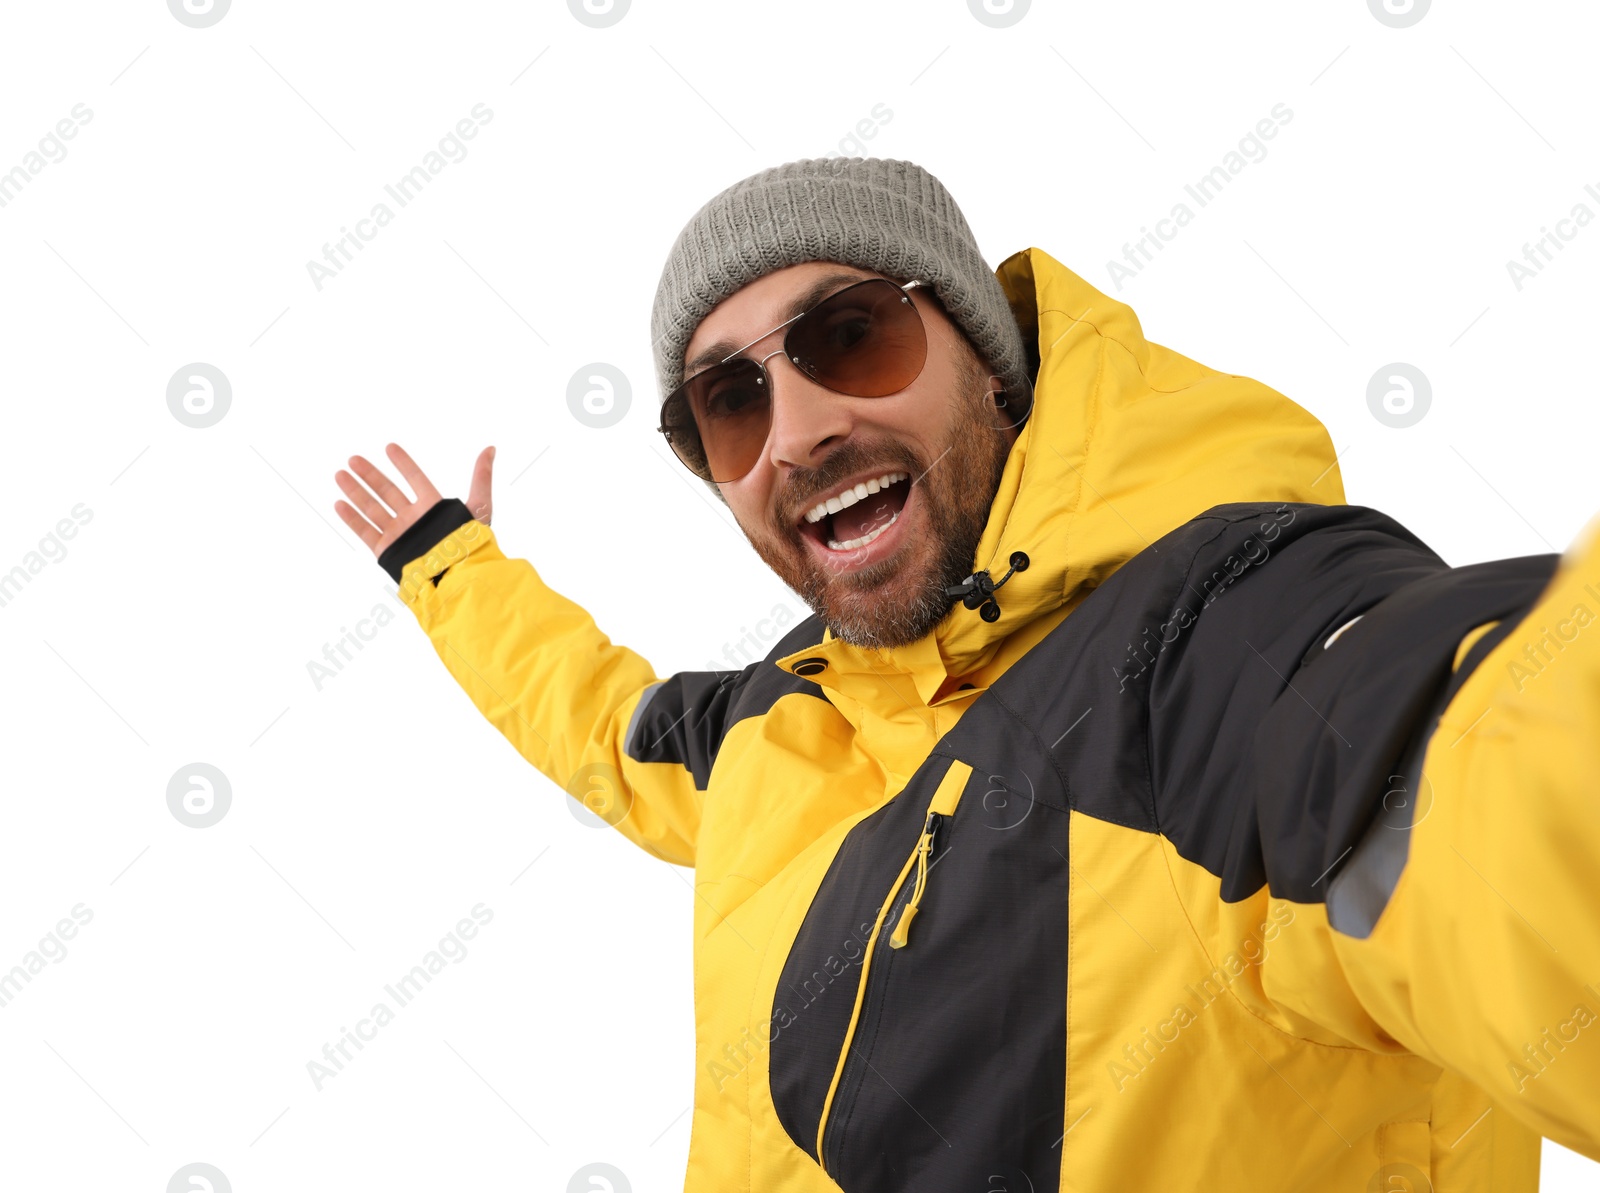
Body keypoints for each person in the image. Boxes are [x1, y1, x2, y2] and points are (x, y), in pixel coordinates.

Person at [331, 157, 1600, 1192]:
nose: (798, 431)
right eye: (725, 403)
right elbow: (608, 730)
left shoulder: (1221, 637)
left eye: (850, 335)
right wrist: (451, 569)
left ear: (988, 357)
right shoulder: (787, 720)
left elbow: (1474, 773)